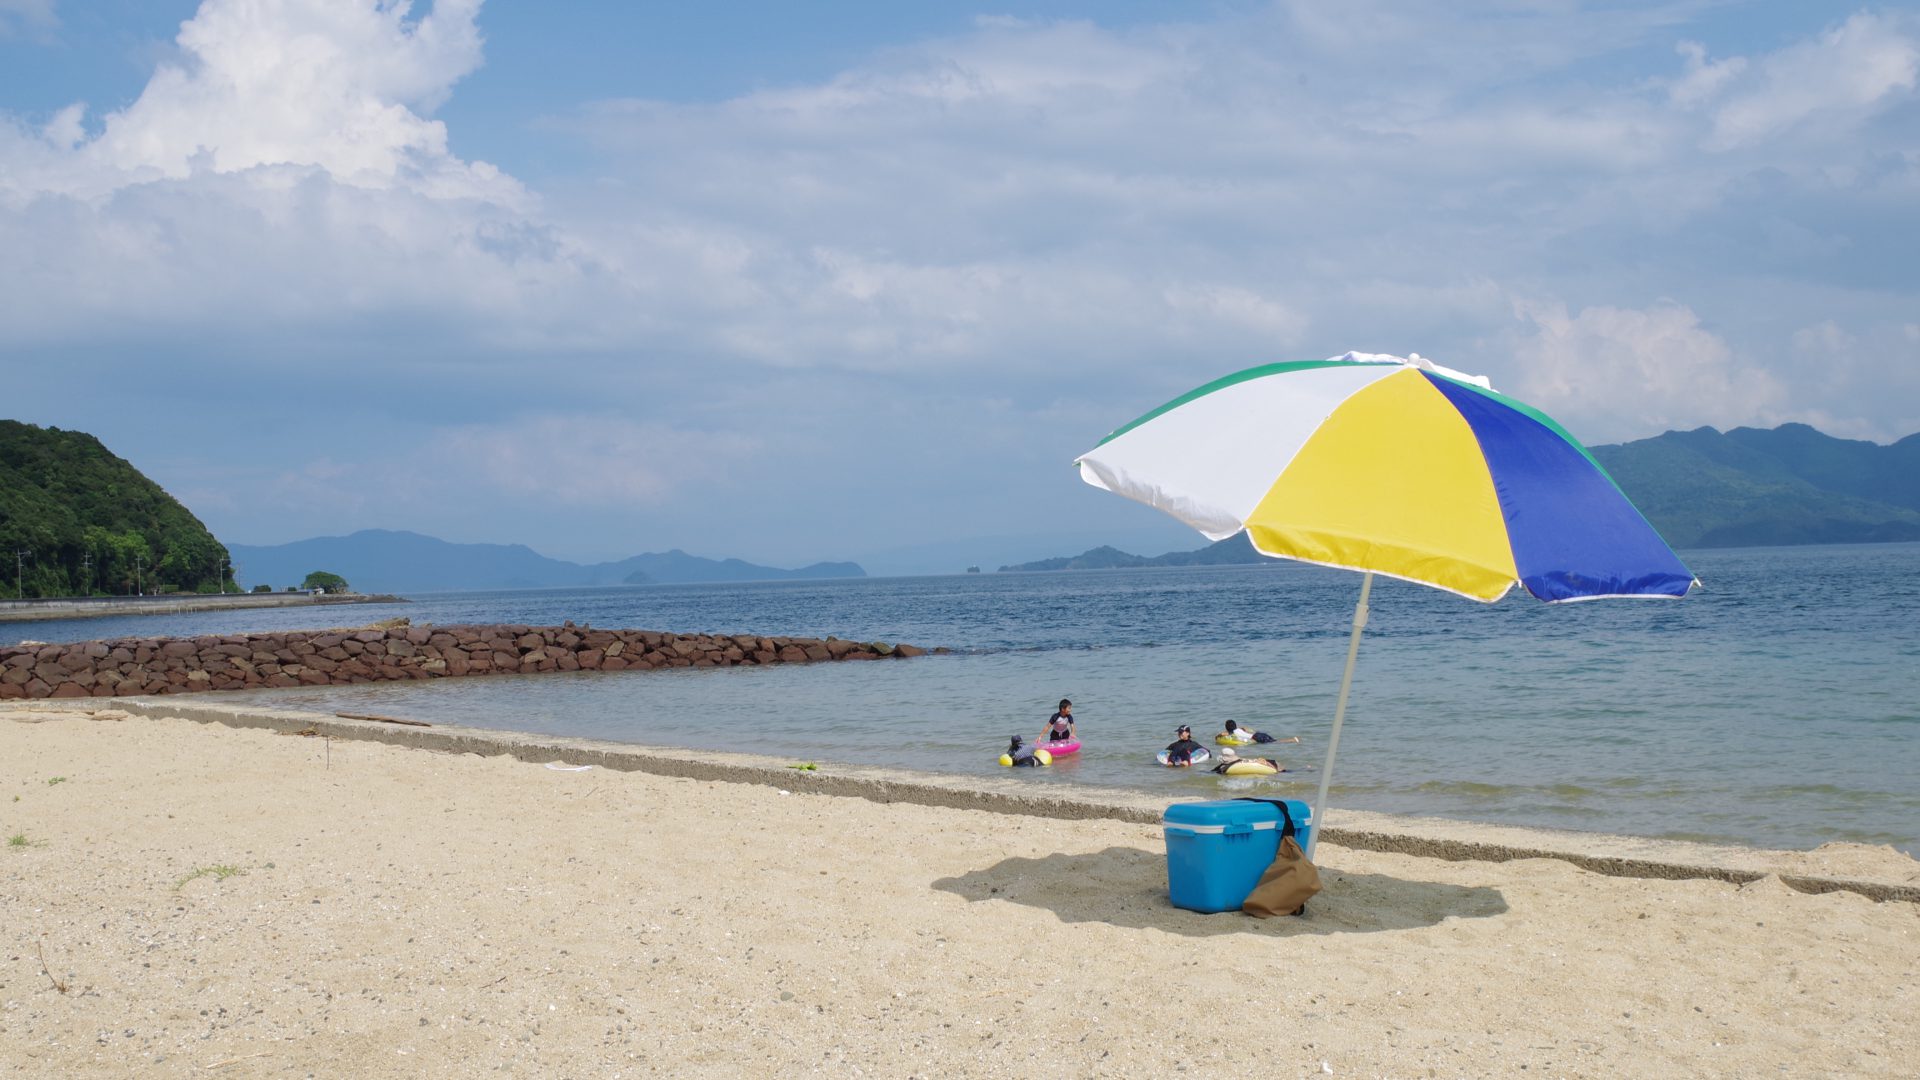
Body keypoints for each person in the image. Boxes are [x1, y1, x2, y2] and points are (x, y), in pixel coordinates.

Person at [1220, 719, 1299, 745]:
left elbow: (1222, 734)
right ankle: (1293, 740)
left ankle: (1292, 740)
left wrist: (1218, 736)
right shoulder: (1239, 729)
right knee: (1274, 740)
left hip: (1256, 737)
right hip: (1258, 734)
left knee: (1276, 742)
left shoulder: (1231, 733)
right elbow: (1245, 728)